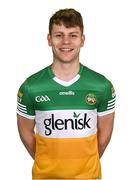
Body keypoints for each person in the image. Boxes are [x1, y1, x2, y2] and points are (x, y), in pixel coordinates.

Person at [17, 8, 116, 180]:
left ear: (82, 40)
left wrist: (84, 165)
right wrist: (47, 162)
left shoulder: (102, 86)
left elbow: (104, 135)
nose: (65, 42)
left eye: (73, 35)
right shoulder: (30, 87)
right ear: (49, 39)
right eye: (58, 35)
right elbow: (25, 133)